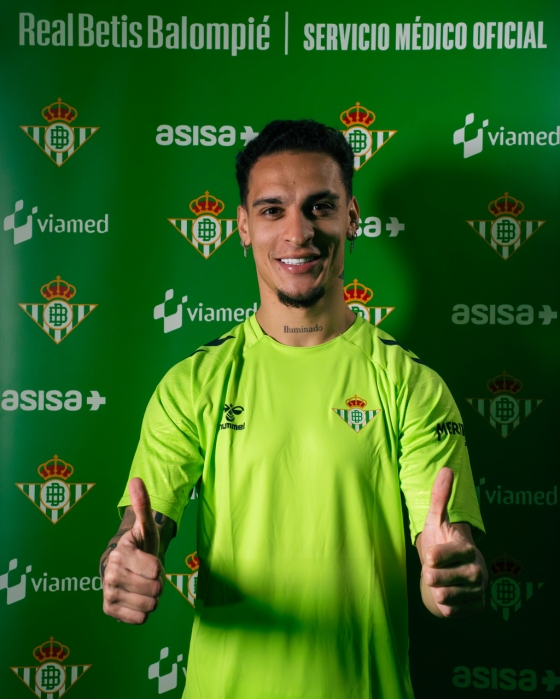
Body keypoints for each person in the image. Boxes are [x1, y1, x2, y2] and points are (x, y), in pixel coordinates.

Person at [100, 120, 487, 699]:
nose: (298, 232)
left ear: (351, 217)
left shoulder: (412, 386)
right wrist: (121, 560)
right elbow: (138, 531)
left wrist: (451, 576)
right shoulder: (192, 385)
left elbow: (446, 555)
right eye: (273, 210)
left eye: (320, 207)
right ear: (243, 226)